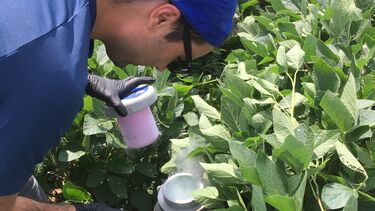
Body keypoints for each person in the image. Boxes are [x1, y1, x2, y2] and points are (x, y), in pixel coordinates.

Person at [0, 0, 237, 210]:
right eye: (178, 61)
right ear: (163, 17)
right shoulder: (49, 85)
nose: (164, 69)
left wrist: (84, 78)